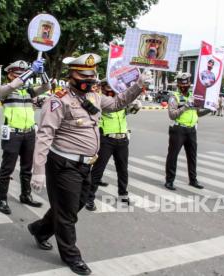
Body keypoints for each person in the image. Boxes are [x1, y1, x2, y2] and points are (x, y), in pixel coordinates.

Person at [26, 53, 150, 275]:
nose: (89, 79)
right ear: (71, 75)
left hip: (86, 166)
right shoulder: (58, 101)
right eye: (84, 75)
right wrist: (38, 171)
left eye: (92, 75)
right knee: (68, 214)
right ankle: (72, 257)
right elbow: (45, 135)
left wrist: (139, 86)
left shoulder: (94, 96)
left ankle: (40, 229)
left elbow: (117, 103)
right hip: (64, 165)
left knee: (73, 206)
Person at [0, 59, 51, 215]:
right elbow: (14, 85)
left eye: (23, 73)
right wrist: (31, 71)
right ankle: (2, 199)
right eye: (18, 74)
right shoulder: (5, 90)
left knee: (27, 168)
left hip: (29, 133)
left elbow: (47, 87)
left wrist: (42, 72)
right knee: (7, 168)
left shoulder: (28, 92)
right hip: (12, 133)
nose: (22, 77)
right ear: (10, 75)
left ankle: (25, 195)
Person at [85, 79, 143, 211]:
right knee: (98, 170)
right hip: (106, 139)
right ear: (103, 88)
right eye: (108, 87)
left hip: (122, 139)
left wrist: (135, 105)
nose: (111, 89)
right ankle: (89, 197)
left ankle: (123, 194)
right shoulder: (101, 101)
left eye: (113, 87)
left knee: (123, 169)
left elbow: (130, 110)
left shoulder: (120, 99)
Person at [164, 72, 211, 191]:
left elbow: (197, 112)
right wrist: (185, 106)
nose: (184, 86)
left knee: (192, 156)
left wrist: (210, 109)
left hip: (192, 130)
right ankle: (169, 181)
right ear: (178, 84)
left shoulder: (194, 96)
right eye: (182, 84)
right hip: (178, 129)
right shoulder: (174, 97)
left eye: (186, 84)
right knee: (173, 156)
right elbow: (172, 115)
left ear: (190, 84)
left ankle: (193, 180)